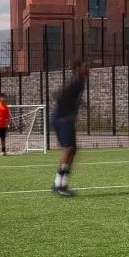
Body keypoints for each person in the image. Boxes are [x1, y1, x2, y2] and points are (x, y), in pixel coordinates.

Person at [51, 60, 88, 197]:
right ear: (77, 68)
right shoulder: (76, 83)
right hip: (62, 119)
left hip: (63, 119)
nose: (87, 68)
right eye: (85, 66)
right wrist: (66, 115)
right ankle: (60, 184)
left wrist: (79, 103)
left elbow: (65, 96)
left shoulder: (80, 82)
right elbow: (59, 96)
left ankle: (61, 180)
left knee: (73, 149)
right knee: (68, 148)